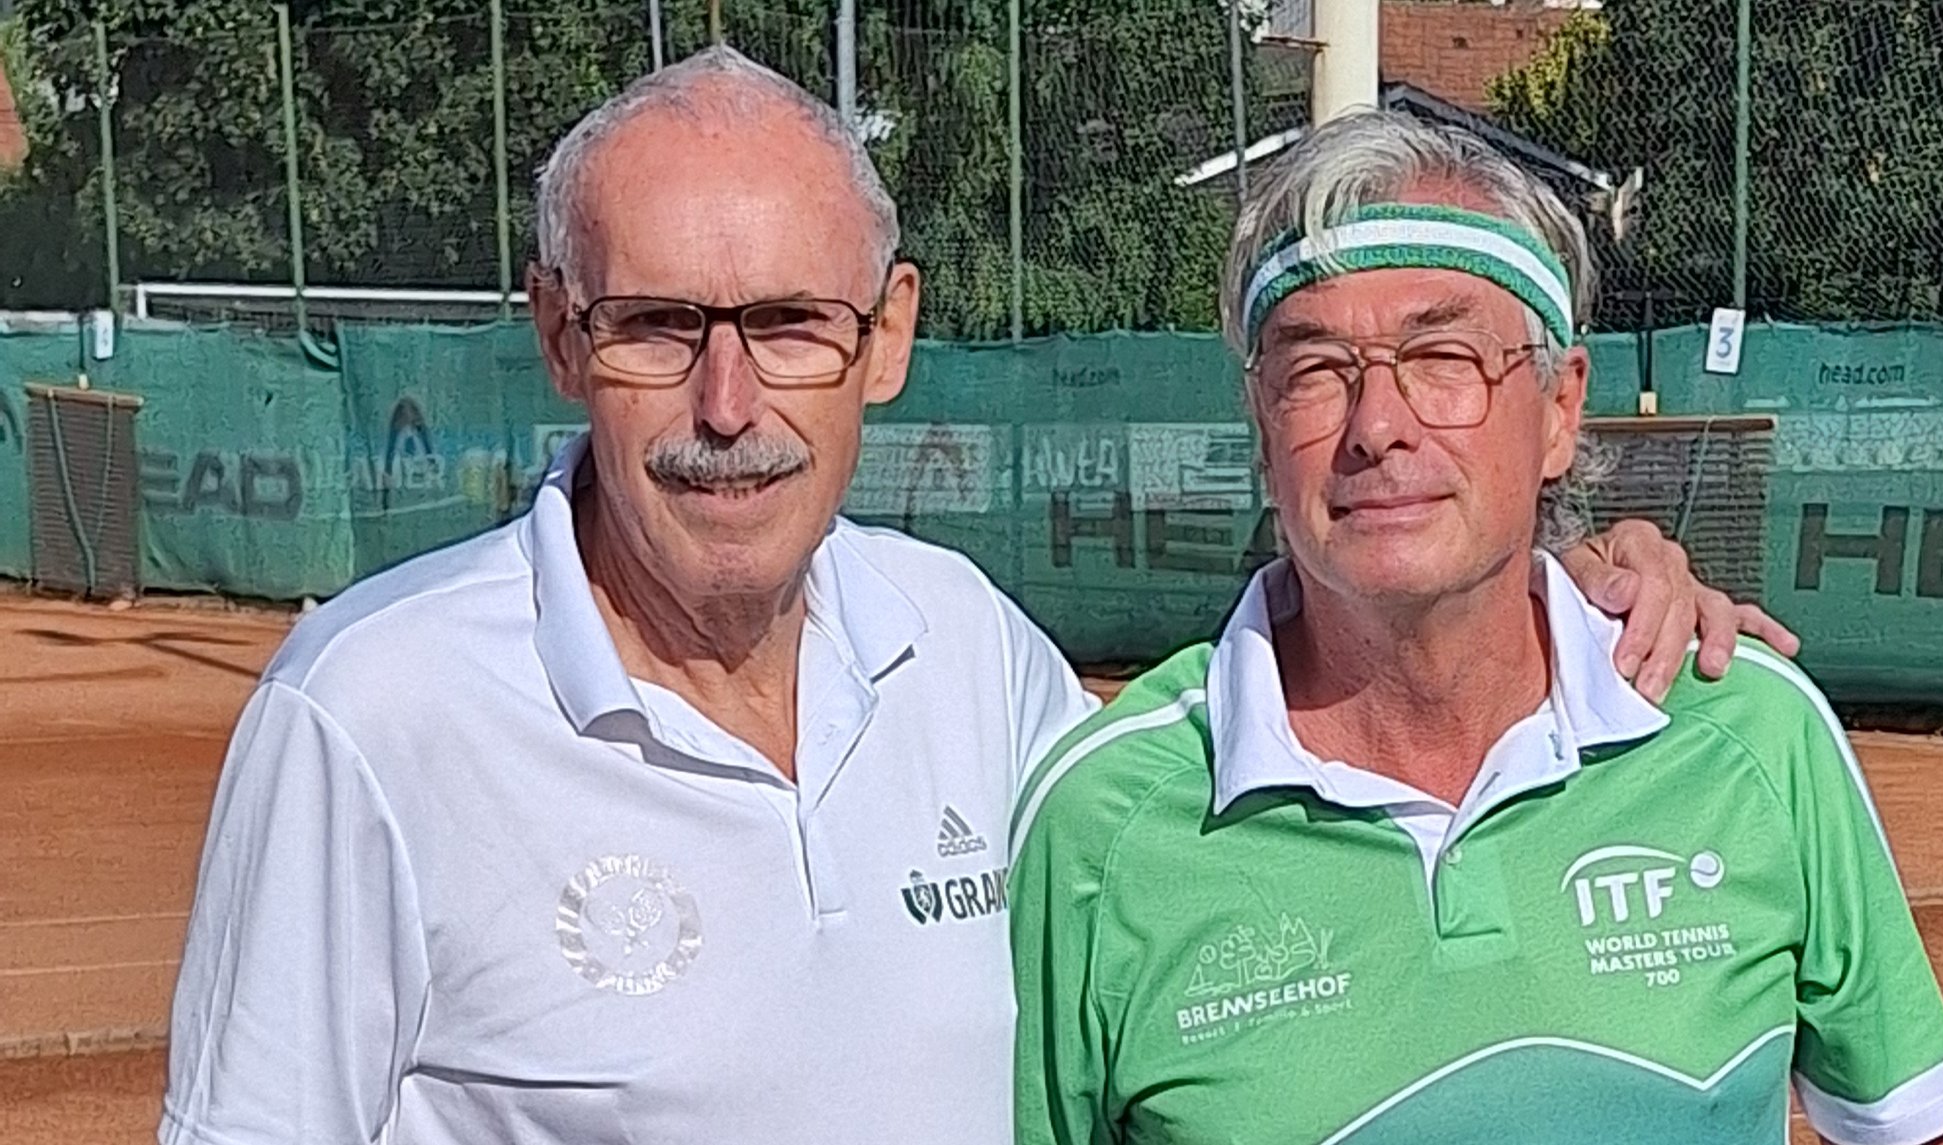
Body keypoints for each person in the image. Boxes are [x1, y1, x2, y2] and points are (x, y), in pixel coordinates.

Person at [161, 50, 1794, 1145]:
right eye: (657, 326)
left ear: (885, 337)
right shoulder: (368, 714)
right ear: (556, 335)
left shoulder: (966, 651)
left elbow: (1202, 841)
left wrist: (1549, 594)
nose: (729, 404)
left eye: (791, 326)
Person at [1010, 109, 1943, 1145]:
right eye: (1314, 370)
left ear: (1559, 409)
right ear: (1259, 424)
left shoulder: (1753, 729)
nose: (1377, 426)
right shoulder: (1098, 821)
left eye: (1442, 357)